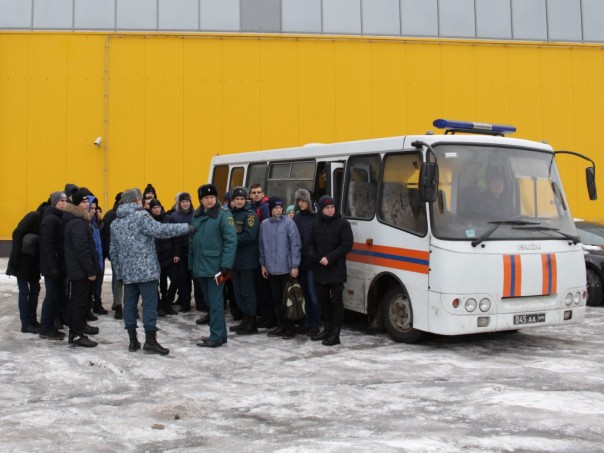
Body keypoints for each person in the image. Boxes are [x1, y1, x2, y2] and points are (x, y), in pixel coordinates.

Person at [110, 188, 193, 355]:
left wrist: (119, 273)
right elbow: (161, 230)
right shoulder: (141, 216)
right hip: (146, 270)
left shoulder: (115, 223)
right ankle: (150, 341)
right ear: (136, 200)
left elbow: (113, 251)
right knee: (149, 304)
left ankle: (132, 341)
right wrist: (186, 228)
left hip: (128, 273)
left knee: (129, 305)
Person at [189, 184, 237, 348]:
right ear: (201, 200)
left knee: (215, 303)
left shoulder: (223, 215)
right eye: (206, 198)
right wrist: (191, 263)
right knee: (210, 302)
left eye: (212, 197)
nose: (209, 200)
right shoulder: (197, 215)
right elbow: (192, 241)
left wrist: (226, 264)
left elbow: (231, 241)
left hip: (216, 267)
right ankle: (220, 334)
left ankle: (216, 336)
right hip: (200, 266)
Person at [309, 195, 353, 346]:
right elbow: (310, 243)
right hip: (320, 268)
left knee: (336, 302)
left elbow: (347, 245)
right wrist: (314, 255)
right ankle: (327, 329)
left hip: (336, 269)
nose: (330, 210)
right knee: (323, 300)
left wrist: (329, 258)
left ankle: (335, 334)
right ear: (321, 209)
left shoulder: (343, 224)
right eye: (327, 208)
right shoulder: (316, 223)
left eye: (332, 207)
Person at [259, 196, 302, 339]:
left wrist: (295, 266)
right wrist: (263, 264)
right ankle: (281, 325)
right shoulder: (264, 224)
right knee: (276, 299)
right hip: (271, 269)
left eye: (280, 208)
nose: (278, 210)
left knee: (287, 299)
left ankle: (290, 327)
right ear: (270, 209)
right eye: (275, 208)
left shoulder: (289, 223)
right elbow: (261, 246)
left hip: (286, 268)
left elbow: (295, 245)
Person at [63, 190, 102, 347]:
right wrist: (90, 270)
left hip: (80, 270)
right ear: (77, 205)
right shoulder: (77, 223)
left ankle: (79, 327)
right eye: (84, 202)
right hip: (80, 271)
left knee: (81, 301)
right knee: (78, 302)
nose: (87, 204)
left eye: (87, 202)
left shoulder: (79, 220)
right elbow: (82, 249)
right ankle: (77, 333)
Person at [6, 200, 46, 334]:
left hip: (33, 263)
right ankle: (25, 323)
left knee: (35, 289)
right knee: (24, 291)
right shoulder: (33, 216)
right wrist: (15, 256)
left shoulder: (45, 221)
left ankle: (32, 320)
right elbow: (17, 233)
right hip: (21, 261)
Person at [228, 187, 260, 335]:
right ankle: (245, 320)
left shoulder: (250, 215)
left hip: (247, 260)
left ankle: (251, 323)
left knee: (248, 292)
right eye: (237, 199)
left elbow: (250, 236)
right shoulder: (231, 214)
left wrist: (230, 240)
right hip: (234, 260)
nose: (240, 201)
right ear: (233, 200)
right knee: (239, 292)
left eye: (242, 199)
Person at [38, 191, 68, 340]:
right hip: (52, 266)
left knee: (56, 296)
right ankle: (45, 328)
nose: (64, 203)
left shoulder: (58, 217)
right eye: (62, 201)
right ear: (55, 202)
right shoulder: (50, 219)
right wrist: (53, 267)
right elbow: (47, 245)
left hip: (58, 265)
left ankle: (50, 326)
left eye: (65, 200)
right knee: (51, 296)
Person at [292, 188, 320, 337]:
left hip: (312, 262)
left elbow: (318, 239)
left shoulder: (315, 217)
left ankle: (315, 323)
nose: (301, 203)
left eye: (304, 201)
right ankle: (305, 322)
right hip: (299, 261)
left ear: (309, 202)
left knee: (312, 293)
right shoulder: (296, 218)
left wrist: (314, 255)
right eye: (299, 201)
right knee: (302, 294)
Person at [149, 198, 177, 316]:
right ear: (151, 209)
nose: (157, 210)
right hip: (155, 258)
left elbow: (175, 237)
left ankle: (167, 302)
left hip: (169, 256)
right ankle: (159, 305)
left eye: (158, 207)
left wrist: (176, 253)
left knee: (175, 280)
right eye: (154, 208)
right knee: (156, 284)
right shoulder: (148, 221)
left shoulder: (168, 219)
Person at [101, 192, 124, 319]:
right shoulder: (110, 215)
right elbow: (106, 235)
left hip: (126, 254)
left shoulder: (130, 214)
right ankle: (118, 304)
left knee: (120, 280)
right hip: (116, 253)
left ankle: (120, 304)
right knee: (118, 279)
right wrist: (109, 252)